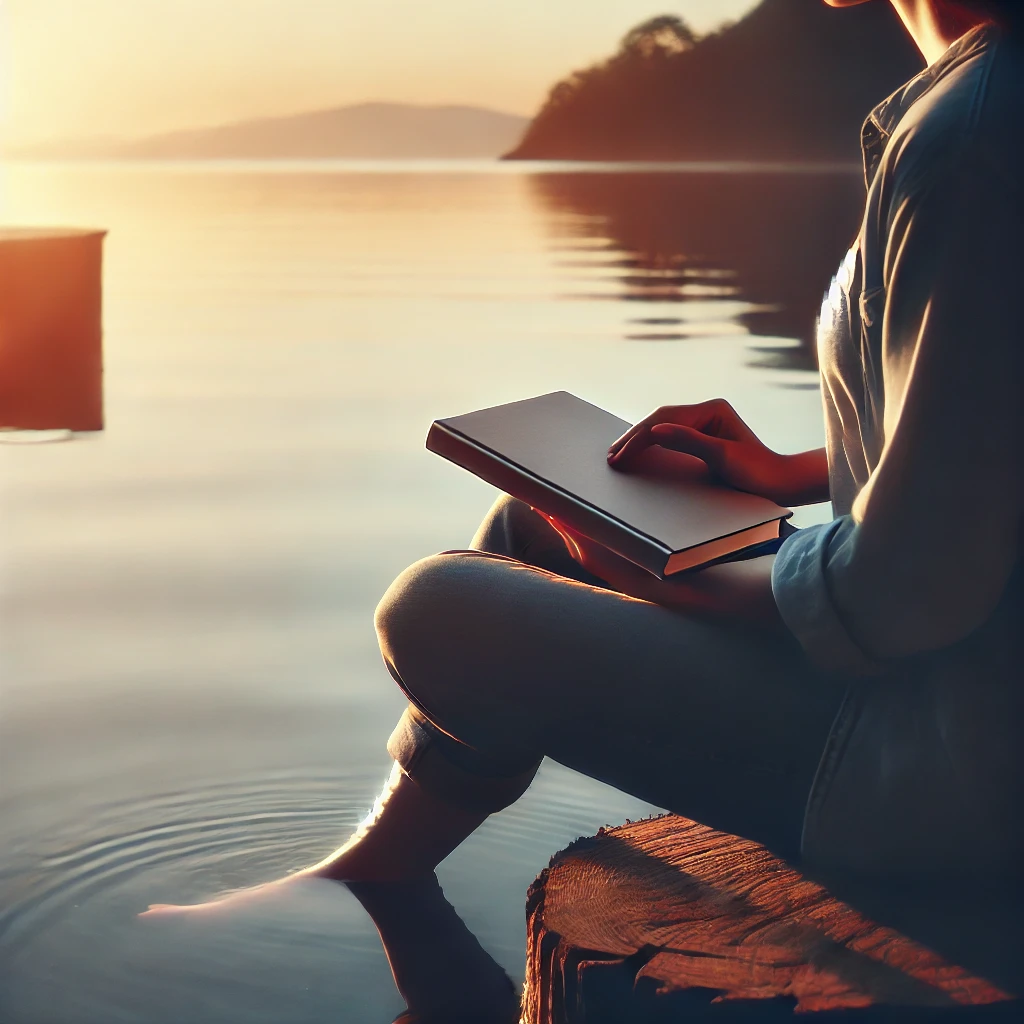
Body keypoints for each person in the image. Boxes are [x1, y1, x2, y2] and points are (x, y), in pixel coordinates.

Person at [144, 2, 1023, 1021]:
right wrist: (784, 469)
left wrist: (668, 570)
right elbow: (981, 429)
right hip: (948, 697)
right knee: (528, 532)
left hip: (940, 770)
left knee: (435, 610)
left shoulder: (972, 140)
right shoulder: (969, 110)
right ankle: (375, 871)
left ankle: (404, 931)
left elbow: (908, 595)